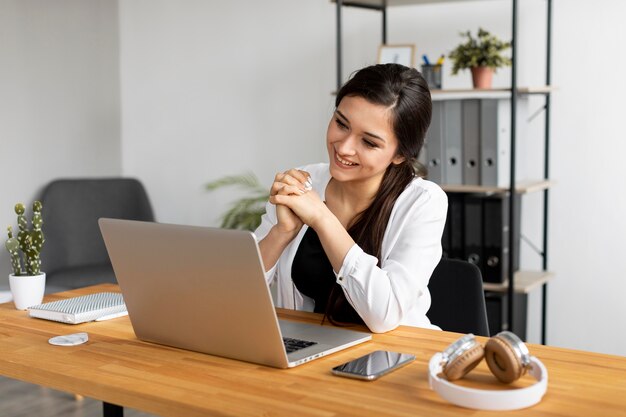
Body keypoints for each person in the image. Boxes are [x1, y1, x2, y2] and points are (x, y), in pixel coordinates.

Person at [254, 63, 447, 333]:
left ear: (400, 154)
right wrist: (281, 232)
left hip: (394, 356)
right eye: (341, 124)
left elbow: (384, 315)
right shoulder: (305, 181)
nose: (344, 148)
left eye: (368, 142)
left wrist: (322, 219)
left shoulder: (423, 202)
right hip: (309, 353)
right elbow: (236, 295)